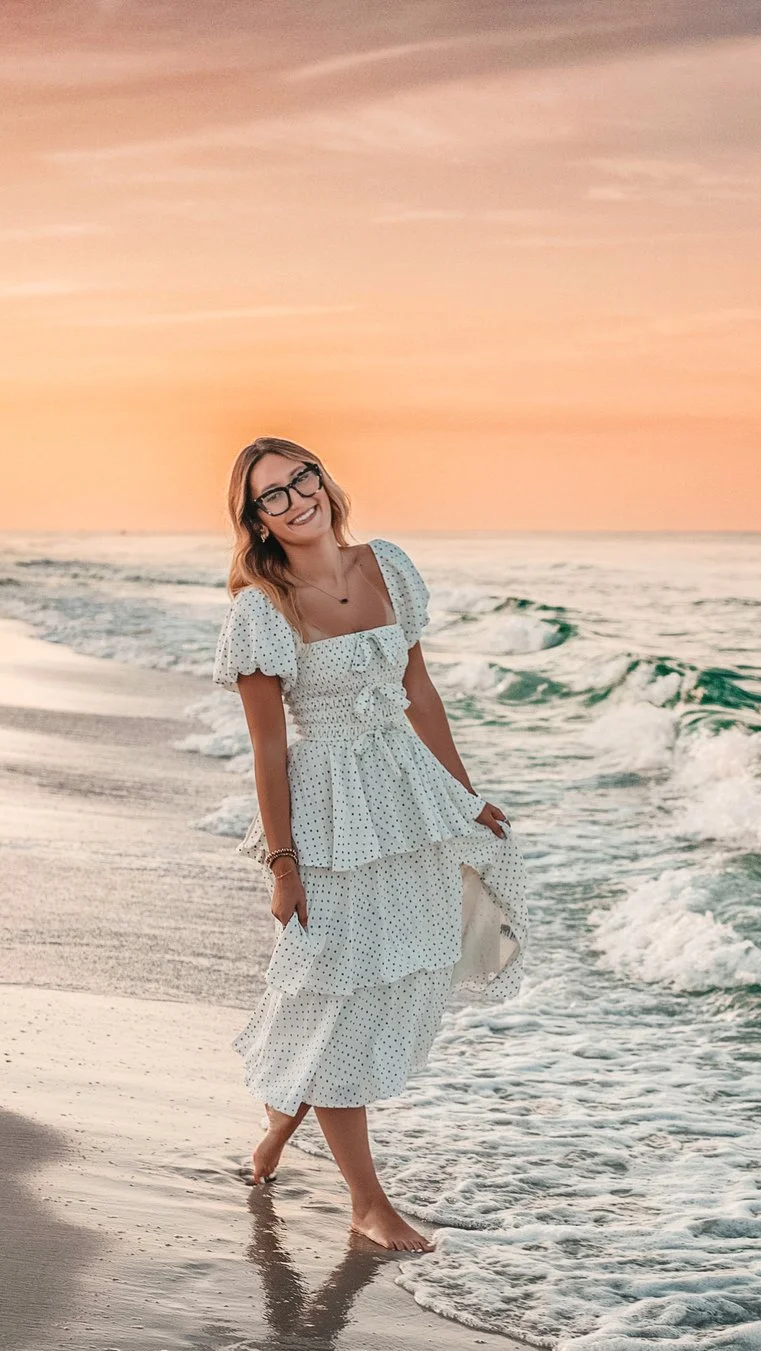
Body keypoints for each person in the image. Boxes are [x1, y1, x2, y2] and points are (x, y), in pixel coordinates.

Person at [212, 437, 525, 1251]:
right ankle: (366, 1203)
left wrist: (462, 797)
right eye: (273, 495)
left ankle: (281, 1127)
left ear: (324, 480)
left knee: (393, 977)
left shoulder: (387, 565)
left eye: (302, 478)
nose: (296, 499)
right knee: (337, 988)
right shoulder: (261, 611)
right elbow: (268, 749)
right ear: (257, 519)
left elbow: (419, 691)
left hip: (406, 795)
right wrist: (283, 864)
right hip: (329, 816)